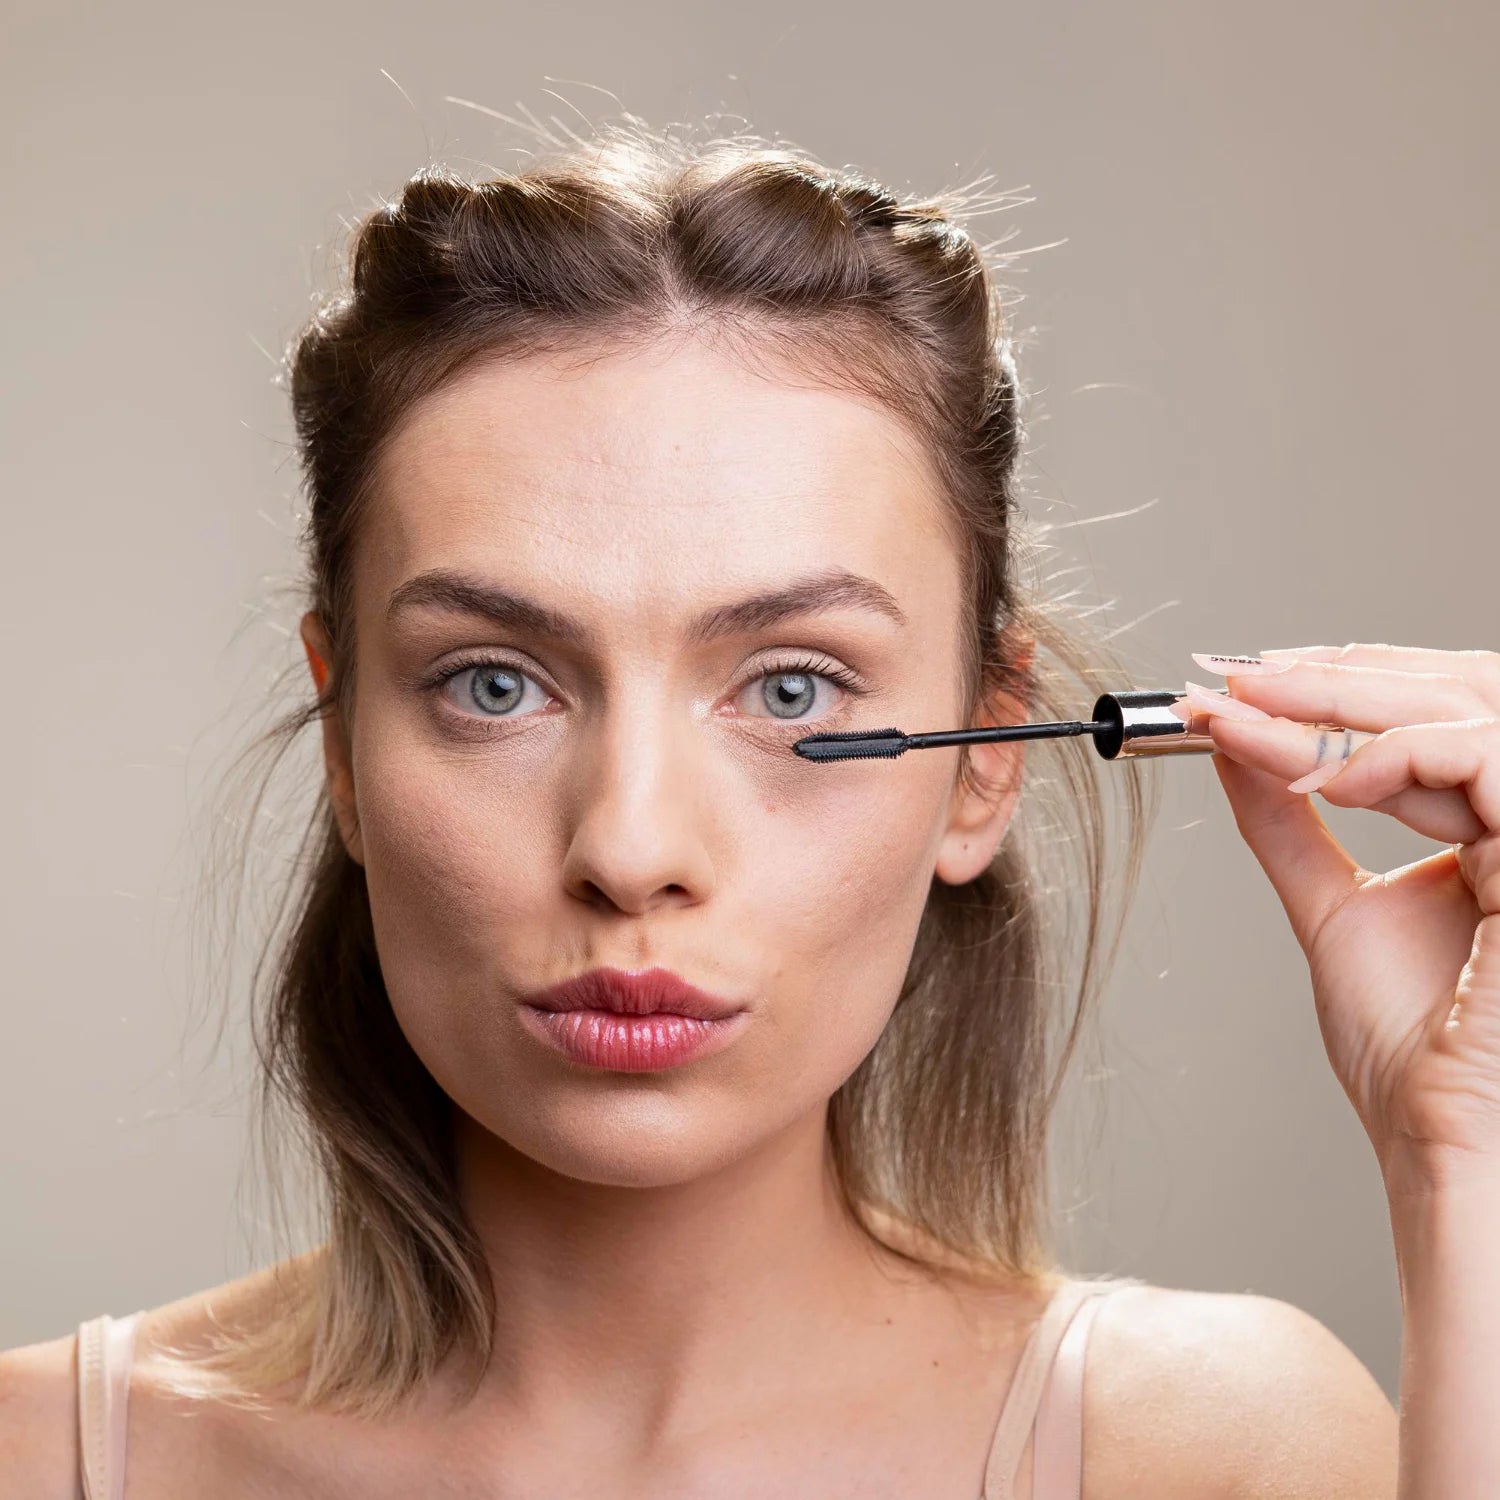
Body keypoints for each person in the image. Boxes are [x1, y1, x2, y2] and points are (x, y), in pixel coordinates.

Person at [6, 121, 1496, 1499]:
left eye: (792, 690)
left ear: (986, 752)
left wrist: (1469, 1178)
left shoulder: (1214, 1452)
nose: (633, 852)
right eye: (495, 686)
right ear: (344, 737)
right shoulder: (42, 1454)